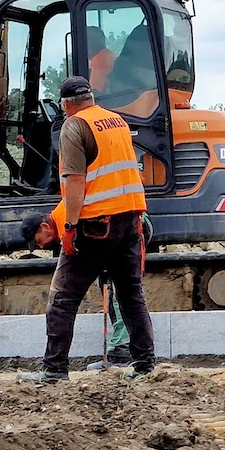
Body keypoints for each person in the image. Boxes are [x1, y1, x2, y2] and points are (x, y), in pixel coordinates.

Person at [19, 76, 155, 383]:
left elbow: (75, 180)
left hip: (95, 223)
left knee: (63, 299)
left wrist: (70, 226)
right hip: (130, 218)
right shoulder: (116, 121)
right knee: (131, 295)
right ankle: (145, 365)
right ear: (90, 97)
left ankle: (54, 370)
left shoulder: (75, 126)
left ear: (66, 104)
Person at [22, 204, 134, 370]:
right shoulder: (64, 218)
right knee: (114, 287)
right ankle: (129, 354)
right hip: (121, 224)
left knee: (118, 290)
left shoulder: (67, 224)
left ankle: (122, 351)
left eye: (38, 241)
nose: (41, 246)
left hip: (120, 226)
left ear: (45, 226)